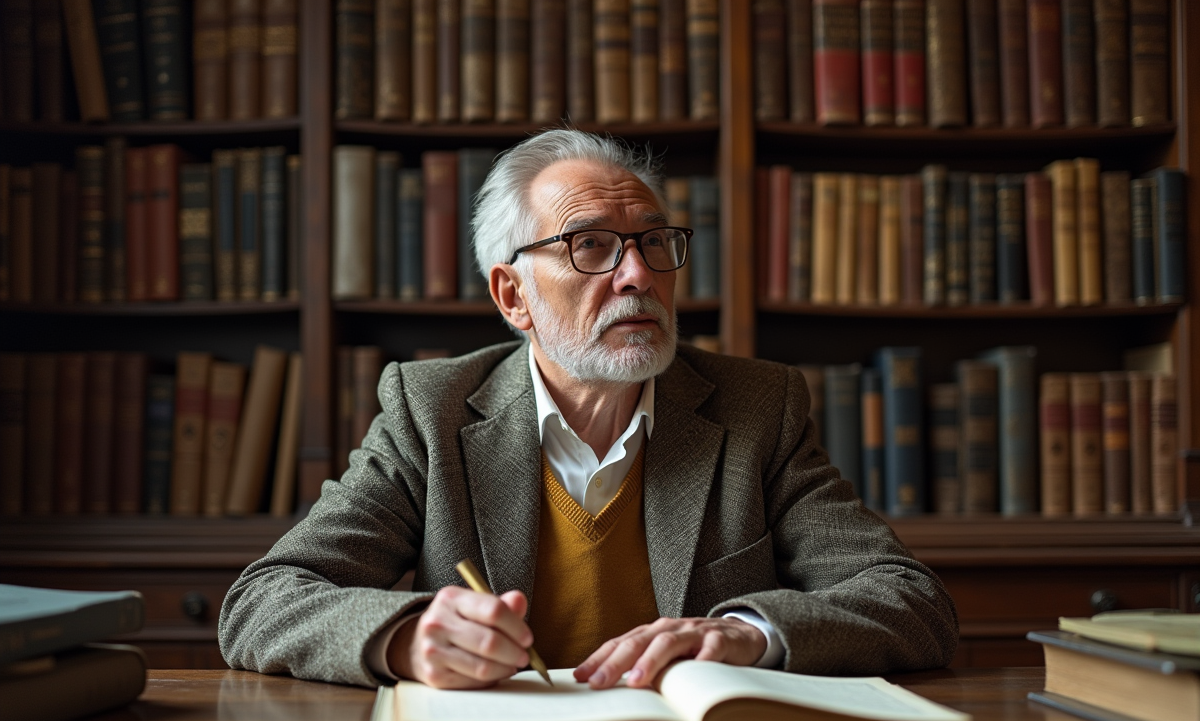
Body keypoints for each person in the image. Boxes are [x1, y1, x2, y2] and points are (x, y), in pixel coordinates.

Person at [218, 130, 957, 691]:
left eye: (653, 243)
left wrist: (748, 632)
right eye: (592, 246)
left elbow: (911, 600)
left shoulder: (757, 409)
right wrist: (405, 639)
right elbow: (262, 601)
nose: (638, 275)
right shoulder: (432, 413)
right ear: (513, 296)